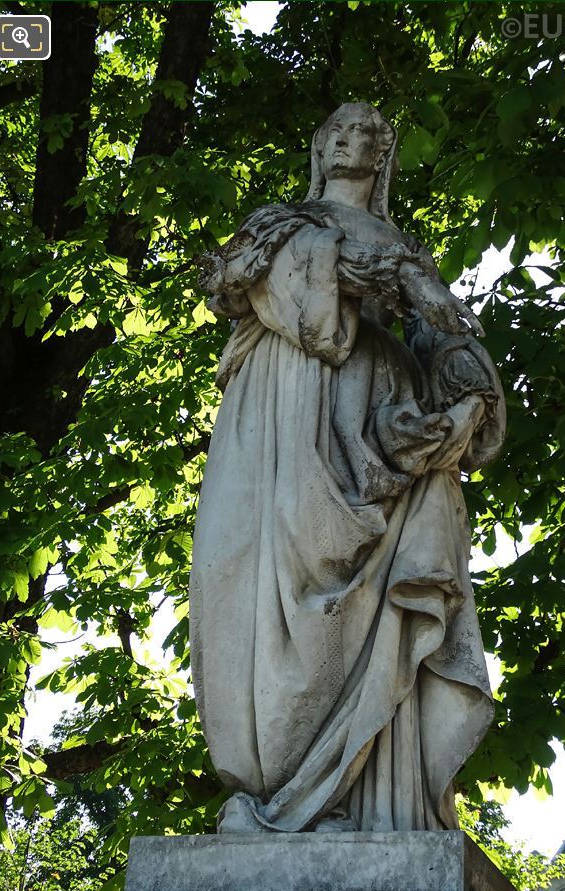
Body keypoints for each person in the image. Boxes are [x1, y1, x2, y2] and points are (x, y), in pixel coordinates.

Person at [190, 102, 505, 833]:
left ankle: (339, 792)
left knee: (363, 601)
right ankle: (272, 789)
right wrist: (366, 274)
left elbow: (444, 335)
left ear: (384, 154)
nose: (346, 138)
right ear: (317, 145)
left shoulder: (407, 251)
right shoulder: (280, 225)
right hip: (277, 411)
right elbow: (249, 288)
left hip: (373, 415)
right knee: (250, 578)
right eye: (333, 128)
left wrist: (468, 395)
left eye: (365, 131)